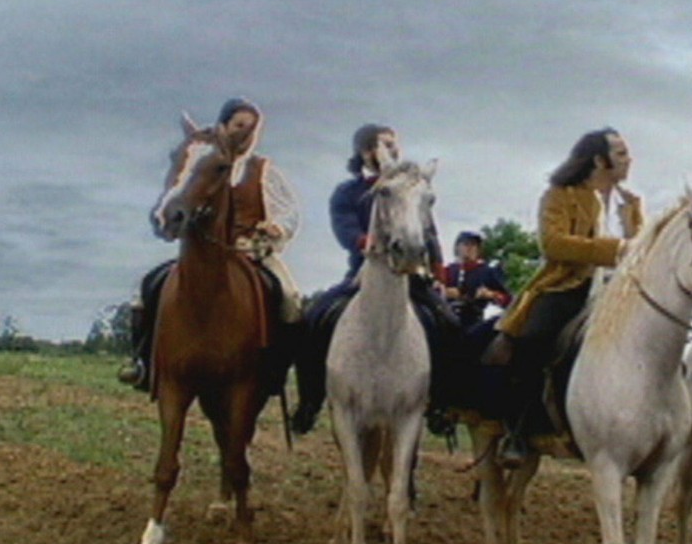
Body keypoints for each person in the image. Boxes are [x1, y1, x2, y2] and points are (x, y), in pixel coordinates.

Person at [118, 98, 303, 391]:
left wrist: (276, 227)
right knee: (144, 287)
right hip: (204, 253)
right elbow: (179, 193)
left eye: (252, 127)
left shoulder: (264, 170)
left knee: (291, 299)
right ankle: (142, 362)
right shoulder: (202, 161)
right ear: (223, 127)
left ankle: (274, 371)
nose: (246, 132)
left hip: (251, 251)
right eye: (239, 125)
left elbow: (289, 212)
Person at [289, 124, 455, 434]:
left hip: (411, 275)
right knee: (314, 318)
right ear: (363, 154)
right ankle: (310, 399)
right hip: (363, 273)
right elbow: (344, 226)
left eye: (392, 145)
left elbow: (428, 231)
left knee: (448, 323)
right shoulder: (348, 192)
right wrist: (363, 241)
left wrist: (439, 271)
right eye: (376, 146)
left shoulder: (412, 186)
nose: (386, 152)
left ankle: (442, 403)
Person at [494, 127, 642, 466]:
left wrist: (636, 235)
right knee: (534, 338)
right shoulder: (560, 194)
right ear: (599, 160)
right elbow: (554, 244)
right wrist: (617, 249)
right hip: (569, 287)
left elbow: (643, 248)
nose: (628, 159)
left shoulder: (630, 202)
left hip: (621, 292)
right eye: (620, 153)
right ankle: (519, 430)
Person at [439, 231, 512, 328]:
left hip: (472, 323)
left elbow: (508, 301)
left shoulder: (487, 272)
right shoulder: (447, 270)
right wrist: (444, 292)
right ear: (457, 248)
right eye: (466, 244)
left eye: (474, 245)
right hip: (445, 320)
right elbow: (432, 290)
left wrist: (491, 294)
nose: (470, 248)